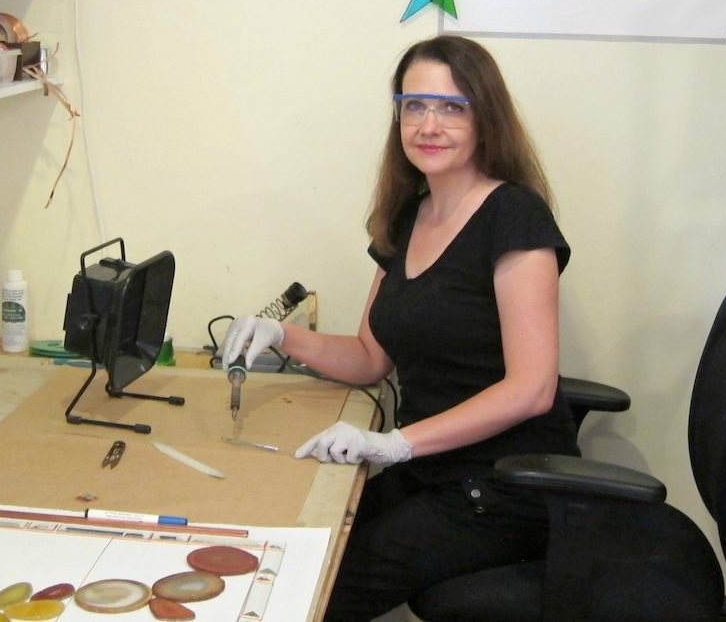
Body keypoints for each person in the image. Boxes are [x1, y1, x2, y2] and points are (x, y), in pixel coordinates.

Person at [222, 35, 577, 621]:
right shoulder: (411, 213)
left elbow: (532, 388)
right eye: (414, 105)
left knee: (310, 591)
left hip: (502, 486)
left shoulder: (514, 216)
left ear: (485, 118)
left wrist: (394, 442)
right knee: (290, 543)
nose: (429, 124)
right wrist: (280, 335)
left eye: (452, 107)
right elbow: (369, 356)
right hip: (429, 472)